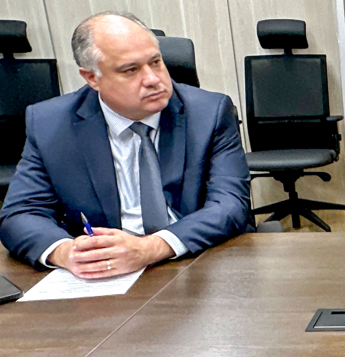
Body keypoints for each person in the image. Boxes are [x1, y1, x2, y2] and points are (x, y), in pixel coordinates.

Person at [0, 12, 252, 279]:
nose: (153, 79)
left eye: (156, 62)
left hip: (194, 262)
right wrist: (68, 252)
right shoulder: (51, 124)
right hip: (105, 277)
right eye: (131, 70)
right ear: (92, 78)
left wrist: (152, 247)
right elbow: (20, 214)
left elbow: (231, 204)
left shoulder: (209, 112)